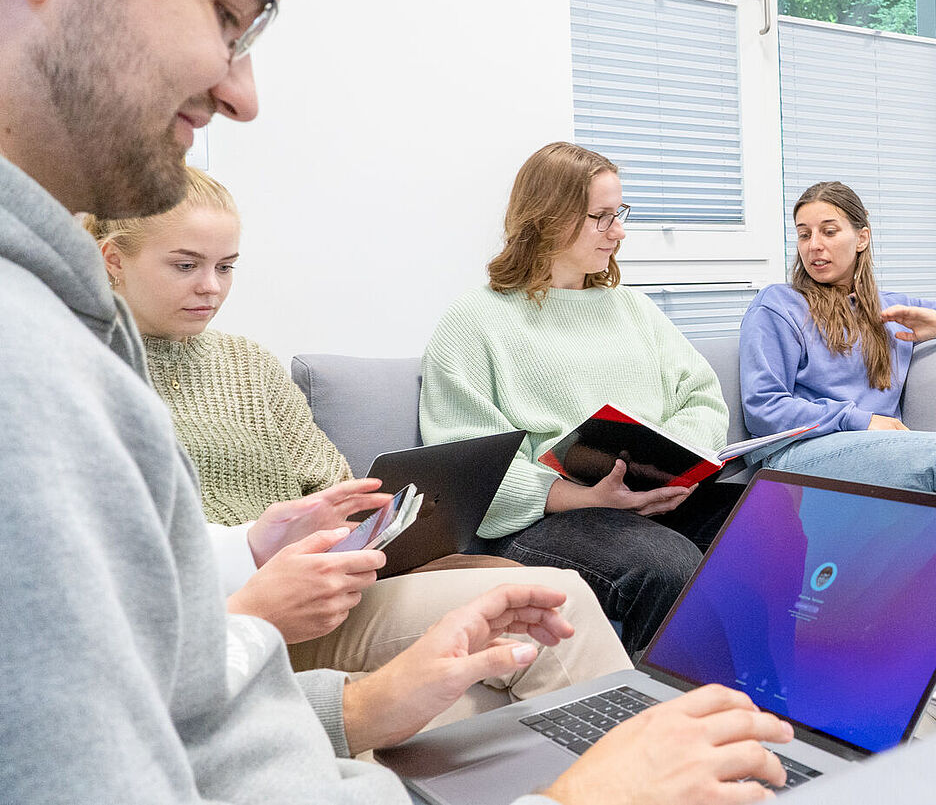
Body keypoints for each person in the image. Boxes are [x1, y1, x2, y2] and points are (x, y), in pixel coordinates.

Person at [0, 0, 793, 803]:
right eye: (223, 13)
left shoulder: (71, 328)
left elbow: (188, 705)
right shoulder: (34, 370)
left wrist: (354, 695)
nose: (243, 94)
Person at [85, 165, 632, 723]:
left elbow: (334, 483)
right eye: (186, 265)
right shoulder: (83, 374)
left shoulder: (247, 362)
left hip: (333, 587)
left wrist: (370, 525)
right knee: (545, 610)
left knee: (548, 603)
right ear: (113, 260)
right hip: (234, 615)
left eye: (226, 267)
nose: (212, 286)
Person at [419, 142, 745, 655]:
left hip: (649, 497)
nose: (619, 232)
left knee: (772, 527)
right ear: (547, 218)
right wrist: (588, 497)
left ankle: (786, 692)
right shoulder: (475, 321)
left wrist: (669, 466)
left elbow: (701, 396)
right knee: (666, 567)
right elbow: (467, 469)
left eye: (620, 214)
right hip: (550, 518)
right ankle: (668, 703)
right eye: (601, 217)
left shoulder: (633, 309)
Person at [739, 180, 936, 576]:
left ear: (862, 238)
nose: (814, 245)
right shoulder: (779, 304)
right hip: (796, 456)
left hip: (875, 454)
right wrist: (861, 420)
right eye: (804, 234)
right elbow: (763, 408)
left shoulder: (891, 310)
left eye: (828, 231)